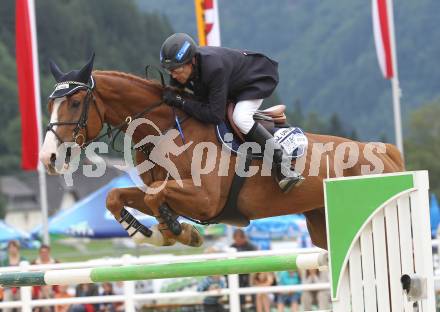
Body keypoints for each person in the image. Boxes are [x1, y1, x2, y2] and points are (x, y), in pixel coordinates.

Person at [159, 33, 304, 193]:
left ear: (192, 61)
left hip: (255, 79)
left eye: (175, 70)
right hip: (232, 84)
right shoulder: (184, 69)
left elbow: (215, 115)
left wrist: (181, 101)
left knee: (240, 118)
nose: (173, 75)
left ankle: (282, 164)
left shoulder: (214, 68)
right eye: (169, 70)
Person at [230, 229, 257, 309]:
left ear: (244, 238)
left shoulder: (251, 246)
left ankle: (254, 307)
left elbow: (255, 258)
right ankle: (240, 307)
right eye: (235, 239)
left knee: (252, 289)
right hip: (238, 273)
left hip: (250, 272)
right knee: (238, 290)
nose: (237, 241)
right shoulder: (232, 247)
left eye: (239, 239)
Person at [1, 240, 26, 312]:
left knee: (23, 306)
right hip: (8, 288)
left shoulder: (23, 260)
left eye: (14, 247)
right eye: (10, 247)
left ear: (17, 248)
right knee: (6, 307)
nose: (12, 249)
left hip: (21, 288)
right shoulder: (4, 261)